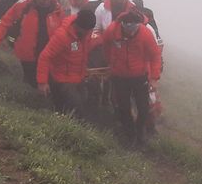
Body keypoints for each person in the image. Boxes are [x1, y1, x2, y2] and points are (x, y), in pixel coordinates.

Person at [0, 0, 64, 88]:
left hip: (48, 51)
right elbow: (6, 20)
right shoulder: (23, 4)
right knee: (30, 82)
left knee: (48, 80)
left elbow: (63, 28)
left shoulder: (56, 8)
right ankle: (28, 100)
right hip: (27, 52)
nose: (46, 1)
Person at [103, 10, 161, 146]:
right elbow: (106, 47)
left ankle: (140, 131)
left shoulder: (145, 34)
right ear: (122, 24)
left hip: (139, 76)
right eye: (127, 27)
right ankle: (129, 134)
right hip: (119, 76)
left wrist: (154, 78)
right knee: (123, 107)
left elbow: (155, 56)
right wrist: (110, 64)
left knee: (143, 107)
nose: (131, 31)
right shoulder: (112, 30)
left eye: (134, 27)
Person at [36, 10, 98, 118]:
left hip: (79, 78)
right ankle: (76, 130)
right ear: (78, 26)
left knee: (82, 104)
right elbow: (45, 56)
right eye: (86, 31)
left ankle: (67, 124)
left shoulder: (86, 33)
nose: (88, 33)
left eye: (89, 31)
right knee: (78, 109)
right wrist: (42, 82)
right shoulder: (62, 36)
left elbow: (90, 45)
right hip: (62, 79)